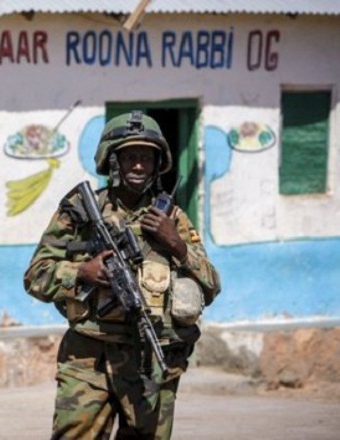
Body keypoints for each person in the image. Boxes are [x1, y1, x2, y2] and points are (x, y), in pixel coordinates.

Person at [24, 111, 221, 439]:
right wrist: (82, 272)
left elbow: (212, 286)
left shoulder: (172, 218)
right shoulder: (80, 211)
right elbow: (35, 276)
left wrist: (176, 245)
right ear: (112, 160)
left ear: (158, 165)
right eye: (130, 157)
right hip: (89, 357)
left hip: (151, 361)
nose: (139, 165)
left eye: (147, 157)